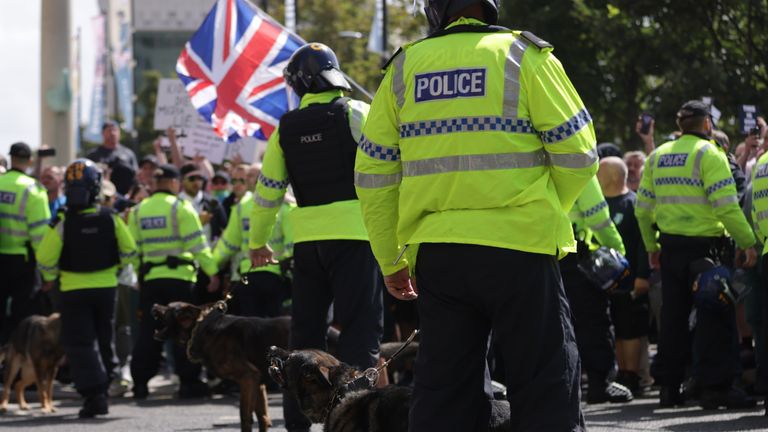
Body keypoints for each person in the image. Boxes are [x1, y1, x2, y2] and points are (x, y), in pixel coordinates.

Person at [354, 0, 595, 429]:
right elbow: (578, 154)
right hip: (522, 247)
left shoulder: (405, 67)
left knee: (444, 391)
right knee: (544, 382)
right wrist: (546, 210)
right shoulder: (525, 56)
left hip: (440, 256)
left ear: (436, 11)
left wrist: (391, 259)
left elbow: (373, 175)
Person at [248, 42, 383, 432]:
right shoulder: (359, 112)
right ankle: (355, 422)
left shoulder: (285, 128)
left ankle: (297, 424)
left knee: (303, 339)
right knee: (360, 337)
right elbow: (393, 170)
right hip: (357, 239)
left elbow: (267, 192)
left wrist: (259, 242)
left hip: (308, 245)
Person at [636, 100, 758, 409]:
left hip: (671, 249)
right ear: (707, 125)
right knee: (714, 317)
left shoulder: (657, 156)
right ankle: (715, 388)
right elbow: (726, 206)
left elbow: (642, 209)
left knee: (673, 320)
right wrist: (747, 242)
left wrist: (653, 247)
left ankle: (669, 389)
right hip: (707, 250)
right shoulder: (710, 154)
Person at [36, 159, 137, 418]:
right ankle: (106, 384)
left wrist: (53, 276)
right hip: (106, 289)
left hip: (72, 290)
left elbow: (45, 258)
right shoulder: (110, 217)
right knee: (105, 338)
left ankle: (94, 394)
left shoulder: (62, 221)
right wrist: (113, 268)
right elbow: (130, 251)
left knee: (81, 344)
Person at [128, 164, 219, 399]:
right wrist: (213, 272)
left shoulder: (139, 211)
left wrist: (139, 274)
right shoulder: (182, 208)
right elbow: (198, 245)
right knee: (184, 333)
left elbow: (132, 250)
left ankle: (140, 384)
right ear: (173, 183)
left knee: (150, 332)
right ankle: (188, 383)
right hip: (180, 281)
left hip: (151, 281)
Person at [562, 176, 631, 404]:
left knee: (552, 324)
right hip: (578, 260)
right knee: (593, 322)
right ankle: (598, 384)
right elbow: (599, 219)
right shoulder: (578, 167)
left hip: (542, 255)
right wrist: (618, 250)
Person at [597, 156, 651, 395]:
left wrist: (642, 275)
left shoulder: (632, 203)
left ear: (614, 176)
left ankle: (631, 376)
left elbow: (643, 243)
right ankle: (620, 374)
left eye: (600, 172)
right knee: (616, 329)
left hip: (630, 280)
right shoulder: (596, 205)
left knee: (630, 329)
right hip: (604, 283)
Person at [0, 142, 50, 344]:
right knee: (22, 319)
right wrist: (48, 273)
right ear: (30, 161)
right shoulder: (34, 190)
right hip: (23, 263)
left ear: (10, 158)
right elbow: (40, 237)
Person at [179, 162, 228, 304]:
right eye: (191, 179)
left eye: (199, 178)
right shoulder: (176, 204)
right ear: (182, 181)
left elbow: (225, 232)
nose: (196, 182)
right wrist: (198, 224)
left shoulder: (213, 203)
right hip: (185, 266)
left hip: (210, 265)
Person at [86, 121, 138, 195]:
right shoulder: (93, 155)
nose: (113, 133)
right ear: (103, 133)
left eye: (115, 130)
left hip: (123, 195)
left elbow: (135, 175)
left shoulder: (128, 154)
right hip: (101, 194)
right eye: (109, 130)